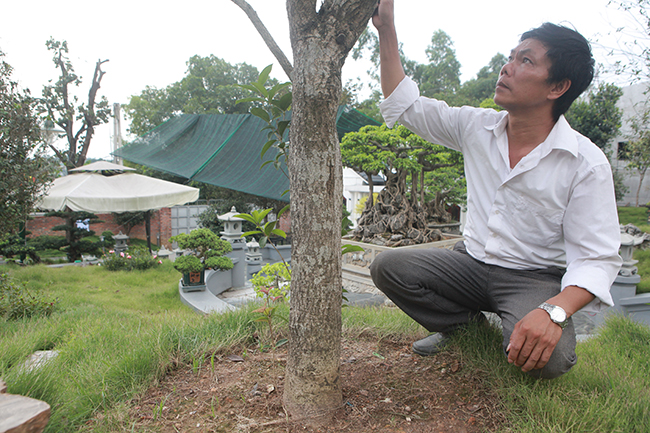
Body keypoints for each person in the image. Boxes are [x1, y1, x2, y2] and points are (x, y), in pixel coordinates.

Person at [369, 0, 622, 379]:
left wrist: (552, 312)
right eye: (511, 57)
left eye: (526, 61)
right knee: (389, 267)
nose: (507, 67)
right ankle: (464, 328)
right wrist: (386, 28)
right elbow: (405, 105)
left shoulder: (585, 162)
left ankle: (521, 323)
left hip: (532, 278)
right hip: (470, 264)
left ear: (558, 86)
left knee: (547, 362)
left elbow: (597, 259)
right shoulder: (476, 127)